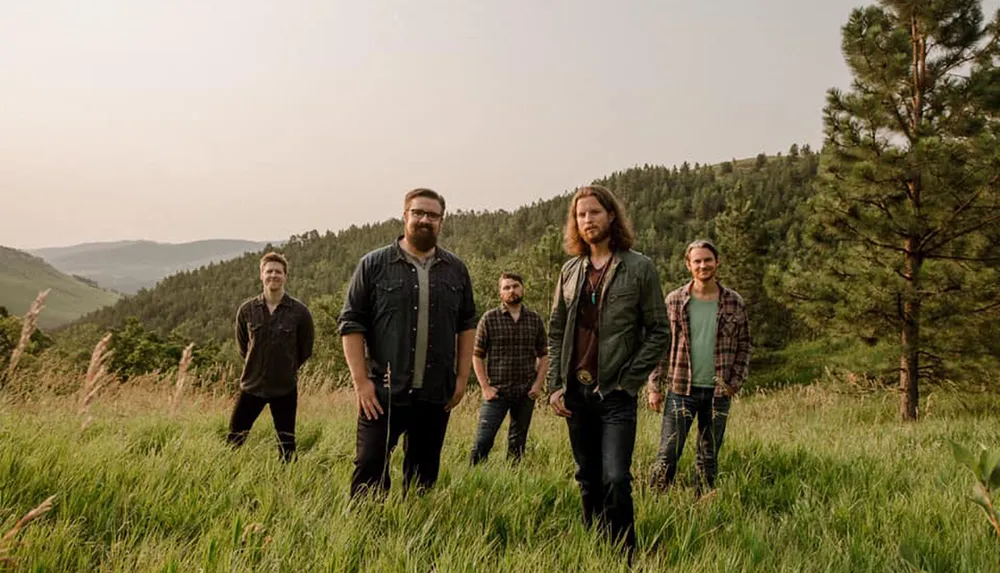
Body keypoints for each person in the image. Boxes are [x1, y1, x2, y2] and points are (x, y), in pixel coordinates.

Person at [547, 185, 670, 555]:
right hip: (575, 392)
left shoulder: (638, 267)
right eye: (581, 215)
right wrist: (555, 385)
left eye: (594, 212)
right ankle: (596, 546)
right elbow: (556, 329)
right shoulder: (570, 271)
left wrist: (630, 381)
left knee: (616, 477)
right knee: (587, 477)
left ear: (611, 216)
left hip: (616, 394)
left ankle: (626, 553)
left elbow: (659, 330)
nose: (587, 220)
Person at [339, 188, 477, 497]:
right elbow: (351, 324)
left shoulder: (456, 270)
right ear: (405, 216)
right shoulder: (374, 265)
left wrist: (462, 378)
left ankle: (414, 533)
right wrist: (361, 382)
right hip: (383, 392)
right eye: (418, 213)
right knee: (369, 467)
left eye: (432, 215)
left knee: (423, 476)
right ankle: (367, 535)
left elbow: (467, 324)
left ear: (442, 221)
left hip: (435, 392)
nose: (425, 220)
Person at [646, 240, 751, 497]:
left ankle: (702, 503)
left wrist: (735, 382)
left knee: (709, 455)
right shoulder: (674, 301)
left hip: (718, 393)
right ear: (688, 265)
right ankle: (655, 502)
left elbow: (745, 345)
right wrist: (654, 387)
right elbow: (659, 346)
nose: (703, 265)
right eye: (697, 261)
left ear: (717, 262)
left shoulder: (734, 302)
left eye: (708, 260)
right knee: (668, 452)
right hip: (681, 390)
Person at [228, 252, 315, 463]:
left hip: (284, 388)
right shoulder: (247, 310)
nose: (273, 275)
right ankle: (227, 479)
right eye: (269, 271)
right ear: (261, 275)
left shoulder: (300, 312)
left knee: (287, 446)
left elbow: (305, 350)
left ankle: (287, 486)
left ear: (285, 276)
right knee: (234, 441)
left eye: (278, 272)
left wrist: (286, 368)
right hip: (251, 386)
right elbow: (243, 347)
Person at [469, 272, 549, 465]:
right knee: (483, 441)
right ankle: (476, 479)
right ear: (500, 292)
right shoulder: (489, 319)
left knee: (518, 444)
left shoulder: (534, 320)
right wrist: (485, 387)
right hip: (497, 392)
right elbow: (477, 356)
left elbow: (544, 355)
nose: (511, 291)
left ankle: (513, 480)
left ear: (522, 289)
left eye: (515, 286)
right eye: (506, 287)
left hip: (525, 392)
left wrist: (538, 386)